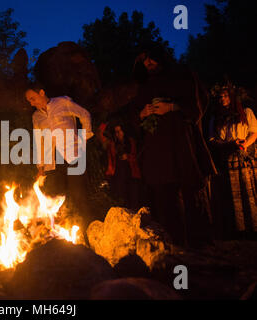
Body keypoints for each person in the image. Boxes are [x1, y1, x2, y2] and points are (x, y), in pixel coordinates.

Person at [130, 47, 216, 247]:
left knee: (190, 190)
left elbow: (199, 102)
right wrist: (142, 114)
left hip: (181, 145)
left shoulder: (181, 75)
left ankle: (199, 242)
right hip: (157, 152)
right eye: (145, 62)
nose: (148, 64)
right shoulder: (144, 87)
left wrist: (173, 107)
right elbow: (134, 114)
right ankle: (174, 242)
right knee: (164, 195)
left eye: (151, 59)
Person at [25, 83, 94, 228]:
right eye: (29, 101)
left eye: (33, 98)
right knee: (56, 199)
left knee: (79, 196)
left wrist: (85, 137)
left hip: (73, 156)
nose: (32, 103)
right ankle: (61, 238)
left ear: (42, 92)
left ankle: (90, 231)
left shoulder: (63, 102)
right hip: (53, 162)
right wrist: (40, 166)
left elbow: (84, 114)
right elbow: (39, 141)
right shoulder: (36, 117)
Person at [209, 85, 257, 236]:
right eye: (220, 97)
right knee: (232, 195)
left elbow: (254, 132)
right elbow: (212, 139)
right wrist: (228, 145)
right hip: (227, 160)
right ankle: (237, 229)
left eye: (225, 96)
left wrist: (243, 145)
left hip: (244, 158)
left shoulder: (245, 113)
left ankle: (253, 227)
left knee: (248, 193)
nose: (222, 99)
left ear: (232, 96)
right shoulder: (216, 118)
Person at [104, 123, 142, 210]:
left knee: (134, 199)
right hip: (119, 175)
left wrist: (128, 157)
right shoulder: (113, 144)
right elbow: (111, 159)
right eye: (116, 132)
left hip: (131, 174)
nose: (118, 134)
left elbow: (137, 156)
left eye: (119, 131)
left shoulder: (131, 142)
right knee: (123, 199)